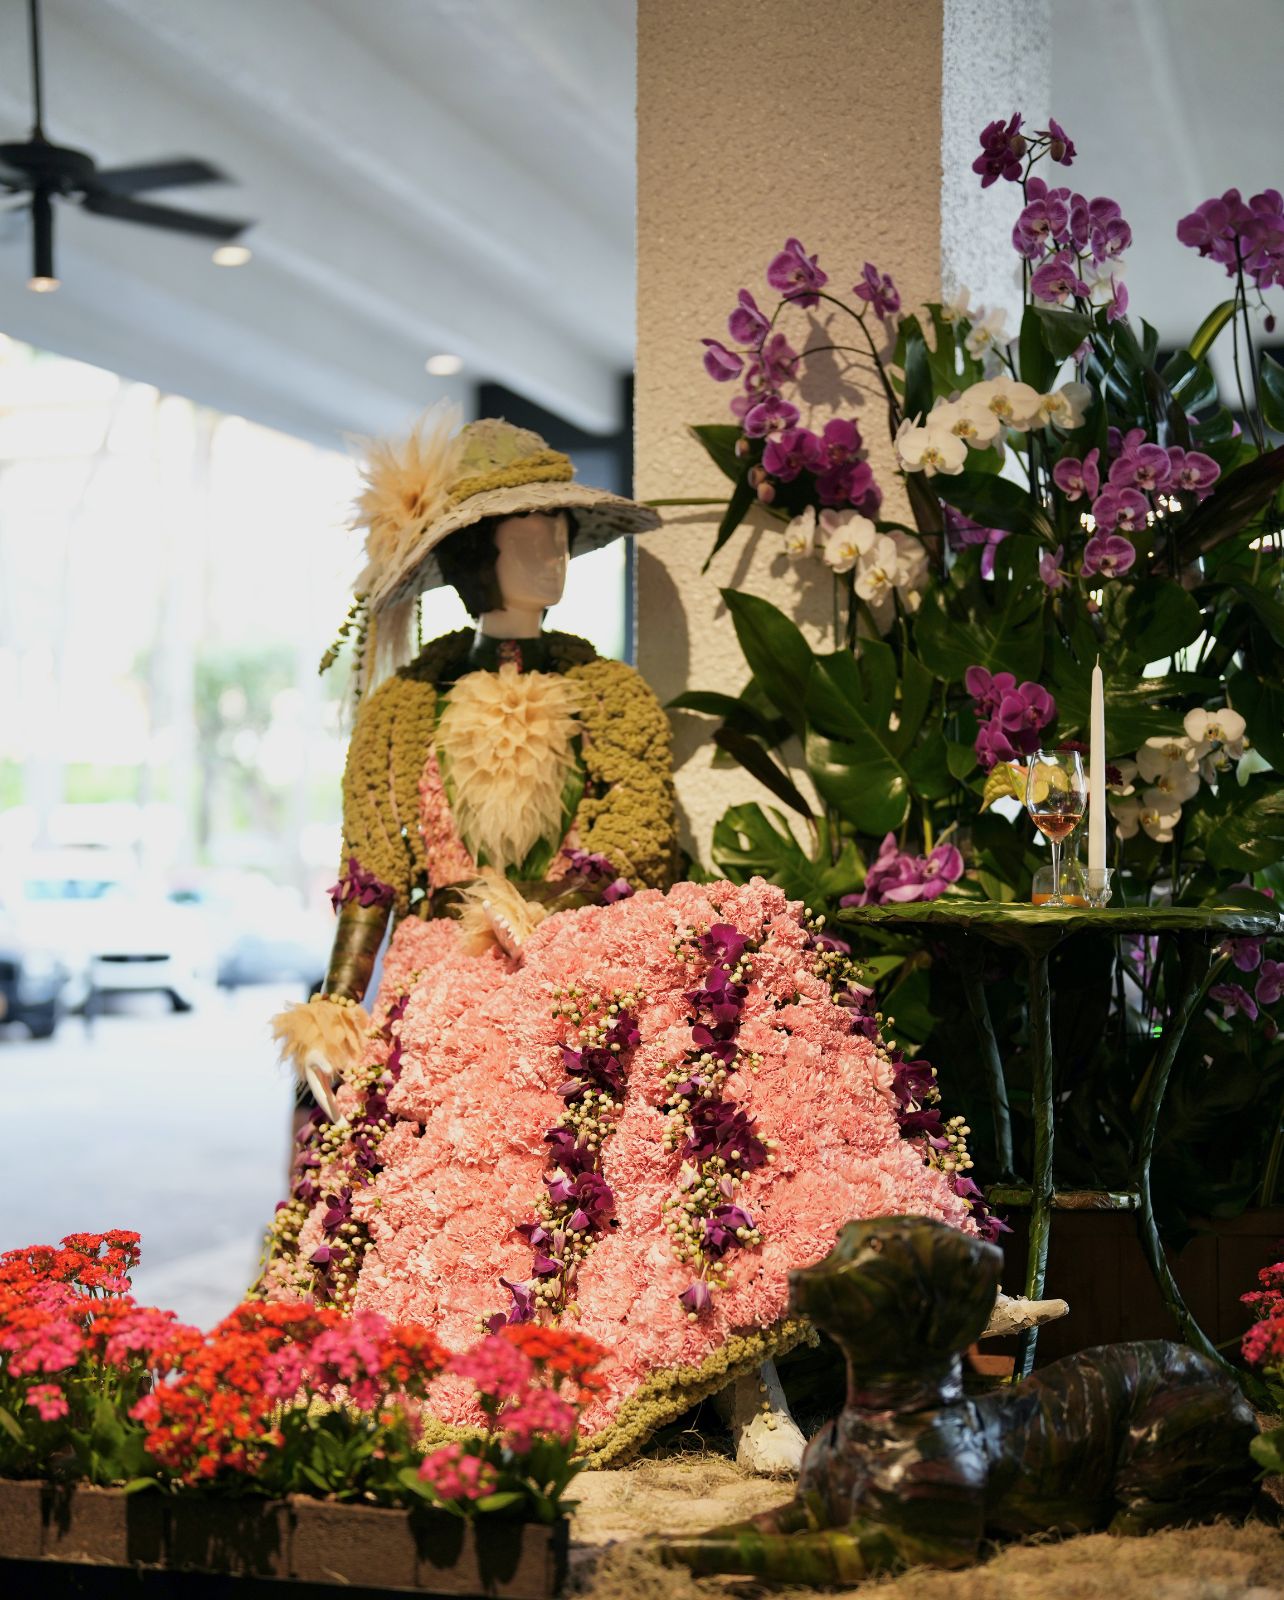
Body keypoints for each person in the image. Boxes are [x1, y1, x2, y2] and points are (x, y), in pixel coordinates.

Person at [258, 412, 990, 1472]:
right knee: (464, 1162)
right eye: (532, 535)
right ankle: (480, 1381)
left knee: (695, 1069)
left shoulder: (606, 691)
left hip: (570, 948)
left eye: (560, 532)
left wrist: (539, 917)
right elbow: (371, 871)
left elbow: (633, 838)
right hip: (442, 974)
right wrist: (336, 1007)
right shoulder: (402, 712)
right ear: (477, 554)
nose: (552, 554)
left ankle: (748, 1367)